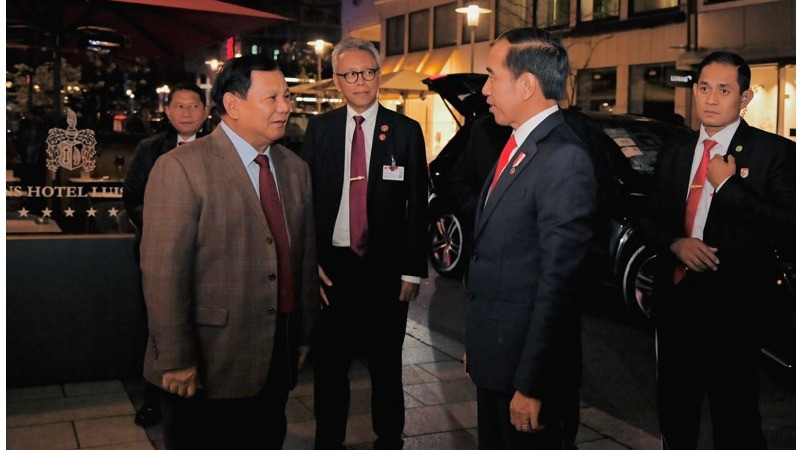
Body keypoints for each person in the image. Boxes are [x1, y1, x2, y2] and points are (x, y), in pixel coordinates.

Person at [139, 55, 318, 449]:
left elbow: (302, 257)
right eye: (272, 98)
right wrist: (176, 358)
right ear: (233, 105)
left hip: (278, 351)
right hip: (208, 360)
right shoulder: (181, 168)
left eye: (286, 96)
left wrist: (303, 332)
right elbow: (163, 273)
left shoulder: (295, 169)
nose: (286, 107)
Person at [638, 51, 795, 450]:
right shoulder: (676, 151)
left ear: (745, 97)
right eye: (704, 88)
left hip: (734, 310)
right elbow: (648, 220)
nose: (711, 99)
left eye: (724, 90)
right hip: (676, 306)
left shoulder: (774, 153)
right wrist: (676, 244)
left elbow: (786, 225)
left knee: (736, 417)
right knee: (676, 413)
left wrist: (728, 188)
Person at [463, 28, 596, 450]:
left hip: (525, 375)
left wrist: (532, 384)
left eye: (491, 76)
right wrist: (481, 346)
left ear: (526, 84)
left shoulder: (563, 158)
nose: (484, 89)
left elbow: (559, 286)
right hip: (498, 359)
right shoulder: (521, 145)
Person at [300, 37, 428, 450]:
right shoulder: (320, 129)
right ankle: (328, 441)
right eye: (351, 74)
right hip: (332, 269)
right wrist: (309, 261)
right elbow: (304, 200)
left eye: (368, 72)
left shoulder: (406, 131)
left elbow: (417, 208)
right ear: (337, 80)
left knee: (386, 365)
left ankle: (389, 439)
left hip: (385, 270)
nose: (361, 81)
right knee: (330, 367)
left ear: (378, 76)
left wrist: (412, 269)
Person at [123, 82, 209, 428]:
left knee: (203, 327)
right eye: (179, 106)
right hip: (160, 254)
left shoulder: (220, 146)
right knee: (160, 325)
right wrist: (168, 228)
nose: (186, 113)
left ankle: (200, 397)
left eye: (193, 106)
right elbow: (133, 196)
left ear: (205, 111)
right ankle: (153, 398)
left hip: (207, 256)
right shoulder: (150, 148)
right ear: (168, 111)